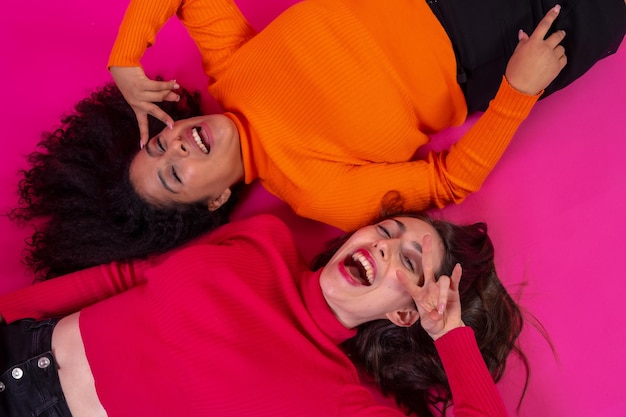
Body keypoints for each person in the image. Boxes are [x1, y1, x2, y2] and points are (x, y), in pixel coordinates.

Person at [10, 0, 625, 279]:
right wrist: (518, 91)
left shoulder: (231, 67)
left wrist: (124, 57)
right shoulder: (316, 192)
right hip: (500, 46)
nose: (177, 147)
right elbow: (447, 181)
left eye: (157, 147)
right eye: (174, 174)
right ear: (212, 204)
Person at [0, 211, 526, 417]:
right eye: (387, 231)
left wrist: (451, 334)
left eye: (409, 261)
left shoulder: (339, 401)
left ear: (407, 314)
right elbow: (127, 278)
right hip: (21, 344)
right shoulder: (265, 240)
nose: (386, 247)